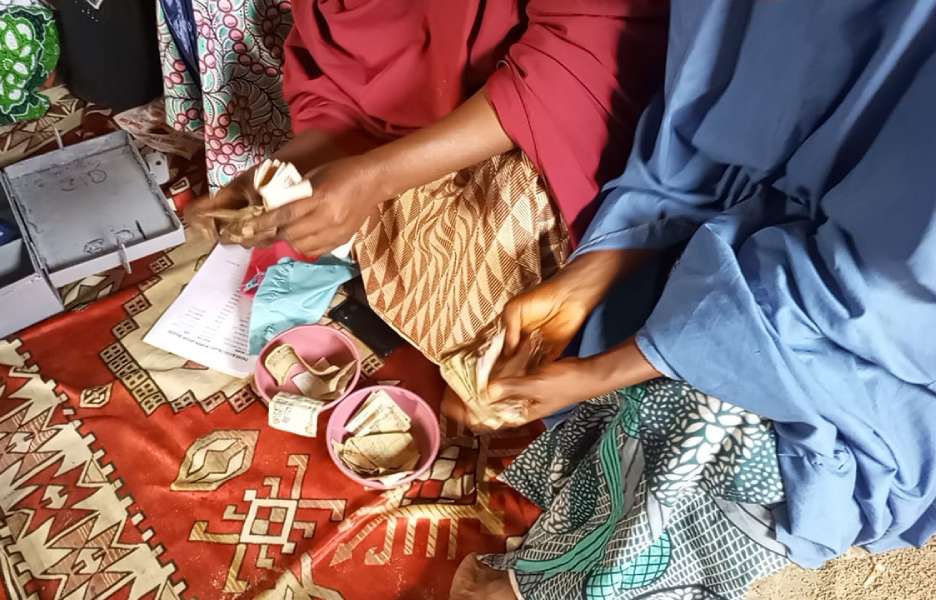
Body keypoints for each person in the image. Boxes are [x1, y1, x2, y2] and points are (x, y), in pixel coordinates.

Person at [449, 1, 936, 598]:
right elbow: (695, 137)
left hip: (878, 343)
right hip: (743, 238)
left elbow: (884, 297)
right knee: (543, 280)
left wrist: (613, 367)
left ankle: (556, 585)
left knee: (700, 420)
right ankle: (572, 535)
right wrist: (590, 277)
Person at [185, 0, 668, 374]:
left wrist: (378, 176)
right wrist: (282, 180)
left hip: (537, 132)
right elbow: (340, 87)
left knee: (518, 304)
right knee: (388, 244)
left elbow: (582, 53)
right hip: (413, 150)